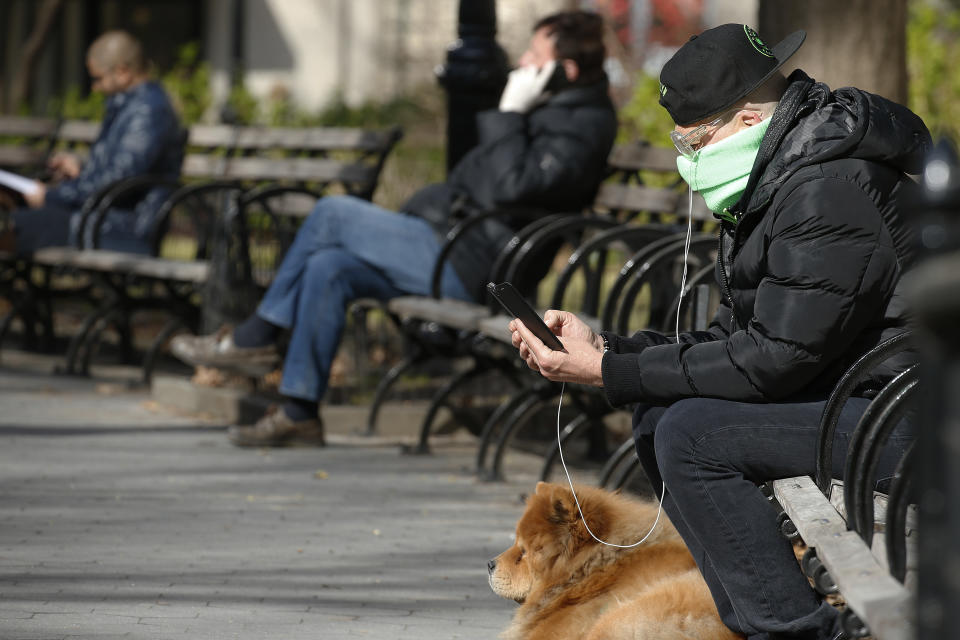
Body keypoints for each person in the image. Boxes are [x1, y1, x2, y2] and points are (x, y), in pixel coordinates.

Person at [508, 24, 930, 640]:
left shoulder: (827, 189)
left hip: (908, 420)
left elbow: (776, 358)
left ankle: (798, 632)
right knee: (661, 414)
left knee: (693, 437)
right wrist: (608, 351)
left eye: (694, 140)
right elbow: (737, 338)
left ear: (748, 118)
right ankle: (757, 621)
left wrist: (609, 373)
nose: (687, 157)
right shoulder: (783, 173)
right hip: (859, 398)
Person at [170, 10, 618, 448]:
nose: (521, 62)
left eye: (533, 56)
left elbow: (508, 185)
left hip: (476, 268)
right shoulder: (550, 113)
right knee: (329, 266)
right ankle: (298, 414)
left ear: (567, 70)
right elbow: (480, 181)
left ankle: (253, 339)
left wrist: (509, 111)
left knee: (332, 214)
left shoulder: (583, 126)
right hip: (451, 244)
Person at [2, 30, 183, 255]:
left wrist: (52, 196)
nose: (95, 87)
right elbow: (120, 170)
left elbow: (120, 179)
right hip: (103, 214)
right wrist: (82, 170)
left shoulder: (149, 112)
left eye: (98, 78)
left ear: (123, 72)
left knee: (9, 226)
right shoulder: (129, 107)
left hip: (123, 226)